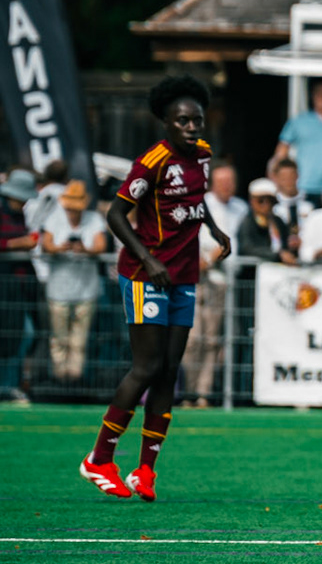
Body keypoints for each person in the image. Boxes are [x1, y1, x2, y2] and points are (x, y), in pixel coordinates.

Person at [79, 76, 231, 500]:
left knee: (168, 370)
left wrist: (215, 230)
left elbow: (195, 203)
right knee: (145, 367)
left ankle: (145, 470)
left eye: (196, 119)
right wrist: (148, 259)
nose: (191, 127)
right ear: (165, 121)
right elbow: (115, 215)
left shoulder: (202, 156)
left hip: (183, 275)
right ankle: (98, 460)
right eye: (182, 120)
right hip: (146, 275)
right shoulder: (152, 162)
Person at [39, 179, 106, 386]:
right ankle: (60, 377)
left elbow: (100, 246)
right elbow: (46, 244)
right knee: (59, 338)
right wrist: (61, 248)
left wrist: (84, 249)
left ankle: (74, 378)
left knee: (79, 339)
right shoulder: (53, 218)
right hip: (58, 289)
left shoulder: (94, 219)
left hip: (86, 289)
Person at [0, 169, 42, 400]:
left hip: (19, 287)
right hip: (5, 286)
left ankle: (8, 385)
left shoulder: (19, 215)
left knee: (23, 334)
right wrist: (18, 244)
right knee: (16, 334)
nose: (25, 202)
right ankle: (6, 386)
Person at [235, 178, 295, 264]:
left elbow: (285, 245)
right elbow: (247, 248)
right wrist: (276, 255)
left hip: (280, 269)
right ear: (252, 201)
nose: (266, 205)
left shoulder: (278, 221)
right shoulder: (247, 222)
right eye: (261, 201)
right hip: (257, 270)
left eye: (270, 201)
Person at [268, 158, 309, 257]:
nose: (288, 181)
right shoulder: (271, 207)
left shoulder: (309, 206)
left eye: (291, 176)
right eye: (284, 178)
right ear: (276, 179)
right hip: (280, 259)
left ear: (297, 176)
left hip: (305, 258)